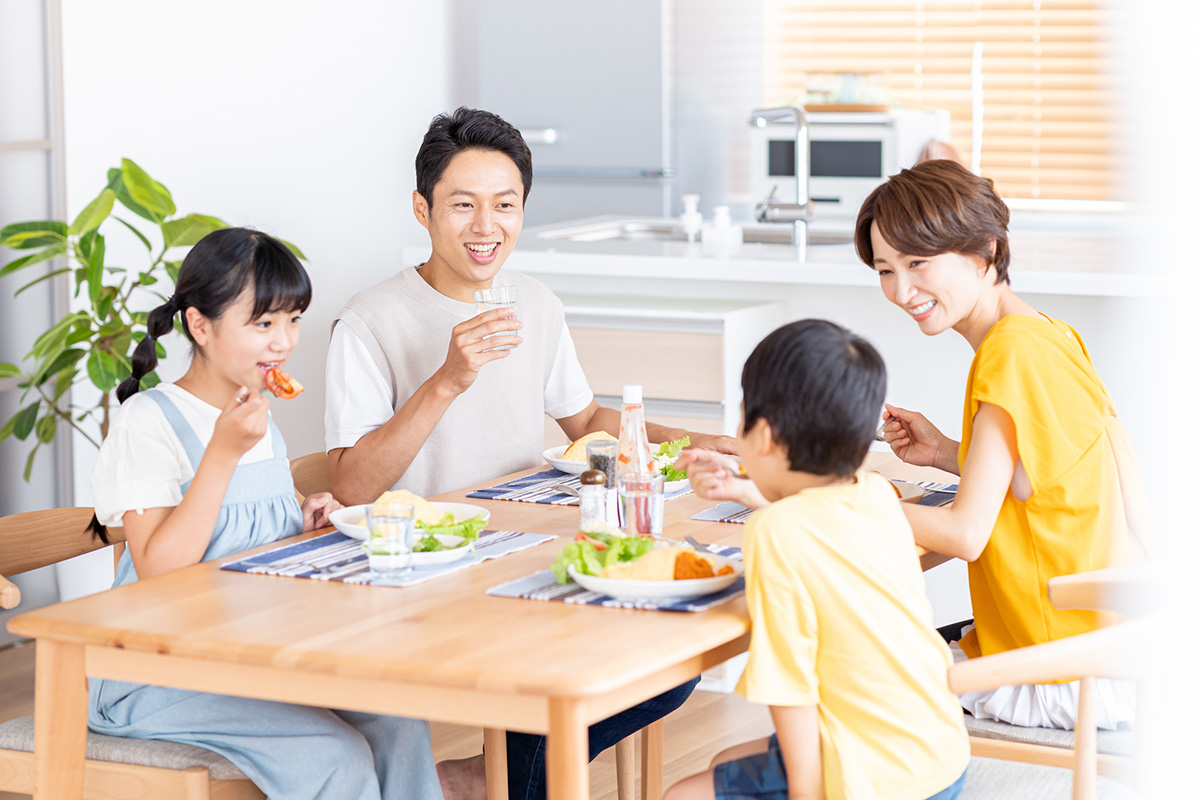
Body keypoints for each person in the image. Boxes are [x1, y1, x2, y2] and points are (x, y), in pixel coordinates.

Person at [324, 106, 722, 800]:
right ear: (422, 209)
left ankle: (487, 779)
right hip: (422, 578)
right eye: (463, 206)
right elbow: (353, 486)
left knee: (672, 656)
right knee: (576, 676)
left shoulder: (534, 303)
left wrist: (691, 443)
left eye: (505, 205)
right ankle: (500, 781)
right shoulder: (368, 321)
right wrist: (446, 380)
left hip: (522, 552)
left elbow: (586, 421)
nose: (487, 227)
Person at [681, 160, 1145, 731]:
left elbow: (964, 535)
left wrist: (803, 490)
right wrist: (948, 452)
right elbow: (1048, 480)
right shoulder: (1048, 335)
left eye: (919, 262)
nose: (901, 290)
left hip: (1051, 671)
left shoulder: (1009, 355)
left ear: (985, 252)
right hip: (1105, 648)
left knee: (837, 683)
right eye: (885, 269)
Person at [87, 228, 441, 800]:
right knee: (338, 757)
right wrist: (222, 454)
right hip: (157, 672)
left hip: (255, 648)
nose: (283, 342)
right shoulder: (148, 422)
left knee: (397, 720)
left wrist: (300, 519)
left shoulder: (254, 409)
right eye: (263, 323)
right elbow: (157, 570)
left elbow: (246, 536)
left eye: (293, 320)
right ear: (200, 326)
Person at [665, 319, 970, 800]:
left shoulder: (776, 533)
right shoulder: (873, 492)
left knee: (682, 795)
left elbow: (791, 689)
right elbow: (821, 520)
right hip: (936, 751)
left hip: (871, 772)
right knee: (724, 762)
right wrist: (748, 487)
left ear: (761, 435)